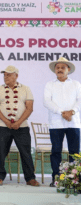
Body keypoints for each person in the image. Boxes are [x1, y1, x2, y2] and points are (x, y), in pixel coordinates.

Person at [0, 65, 39, 186]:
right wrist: (7, 122)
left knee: (26, 152)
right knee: (1, 151)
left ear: (16, 76)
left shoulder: (26, 89)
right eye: (4, 75)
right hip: (3, 125)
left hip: (21, 126)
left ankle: (30, 178)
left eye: (9, 74)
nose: (5, 77)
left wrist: (18, 122)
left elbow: (29, 108)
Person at [43, 57, 81, 187]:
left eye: (62, 67)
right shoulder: (50, 84)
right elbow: (47, 101)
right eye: (57, 67)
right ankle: (56, 178)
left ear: (68, 69)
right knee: (56, 151)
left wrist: (72, 112)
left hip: (73, 122)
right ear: (55, 70)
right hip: (56, 123)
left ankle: (73, 180)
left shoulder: (76, 84)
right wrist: (62, 112)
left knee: (74, 152)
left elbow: (79, 101)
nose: (60, 69)